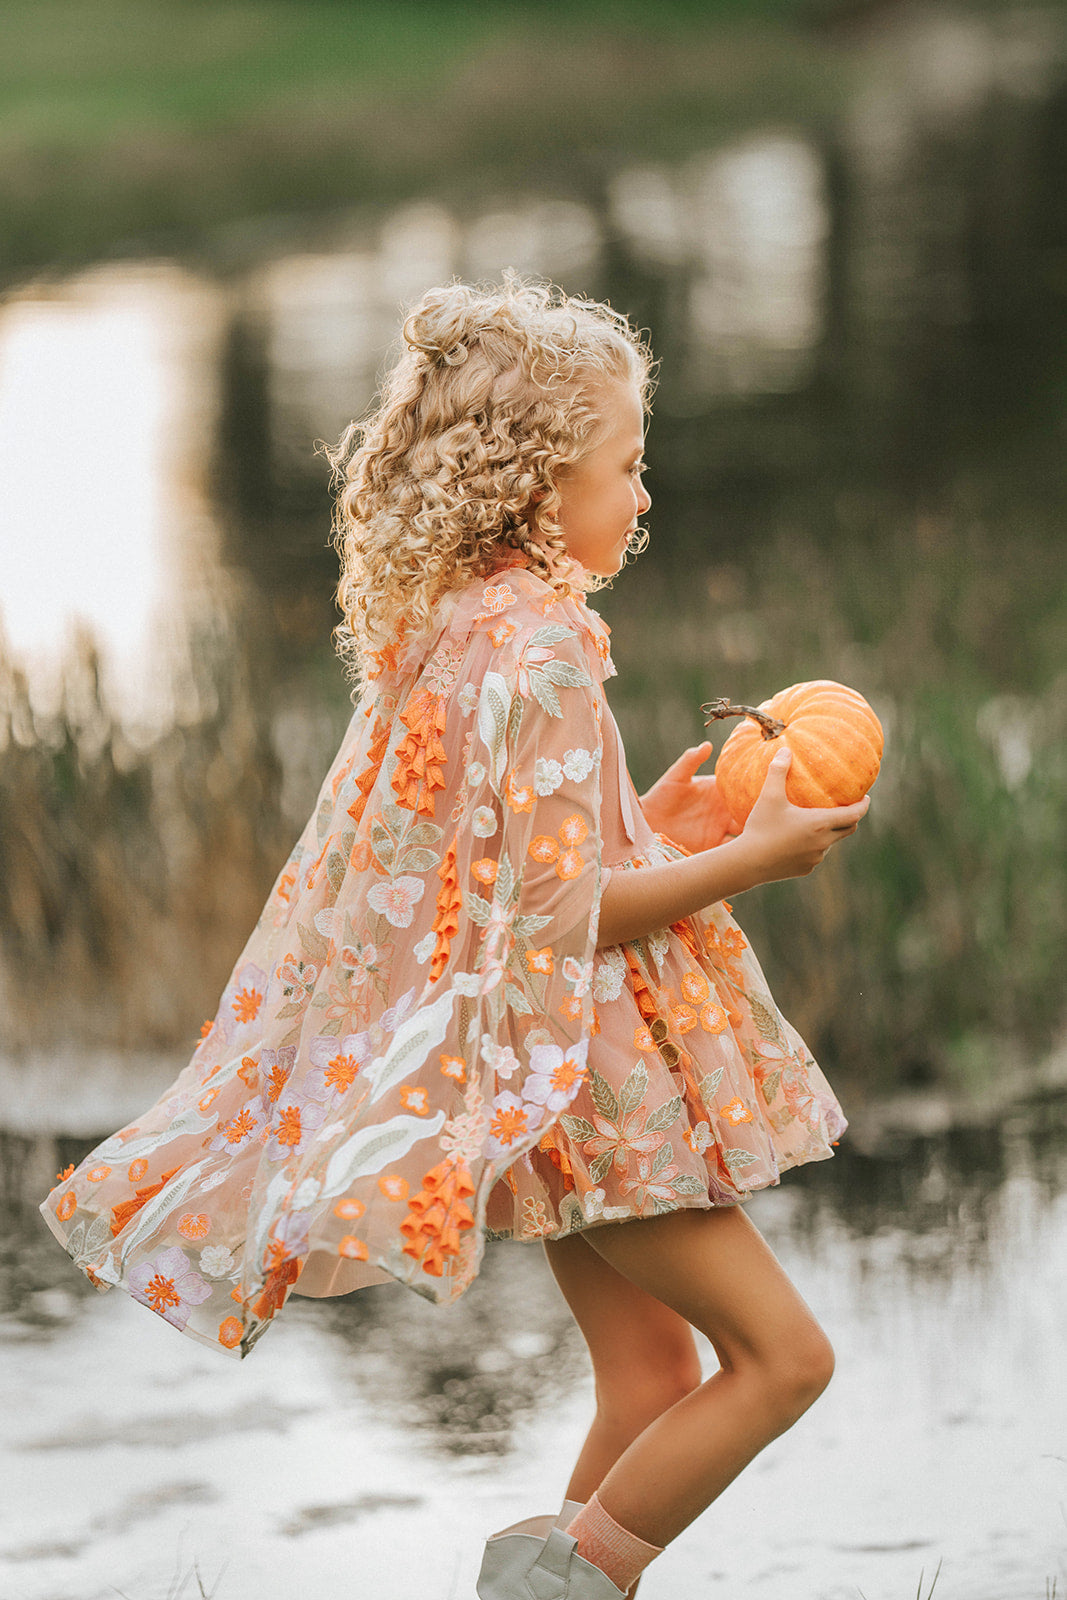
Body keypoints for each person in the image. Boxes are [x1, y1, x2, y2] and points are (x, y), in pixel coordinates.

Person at [41, 278, 869, 1600]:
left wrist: (646, 820)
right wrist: (749, 859)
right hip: (589, 1084)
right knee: (785, 1362)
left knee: (652, 1375)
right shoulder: (540, 652)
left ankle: (574, 1581)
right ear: (541, 483)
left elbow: (492, 873)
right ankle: (554, 1585)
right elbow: (552, 921)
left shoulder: (453, 632)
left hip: (539, 1082)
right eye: (625, 466)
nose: (641, 496)